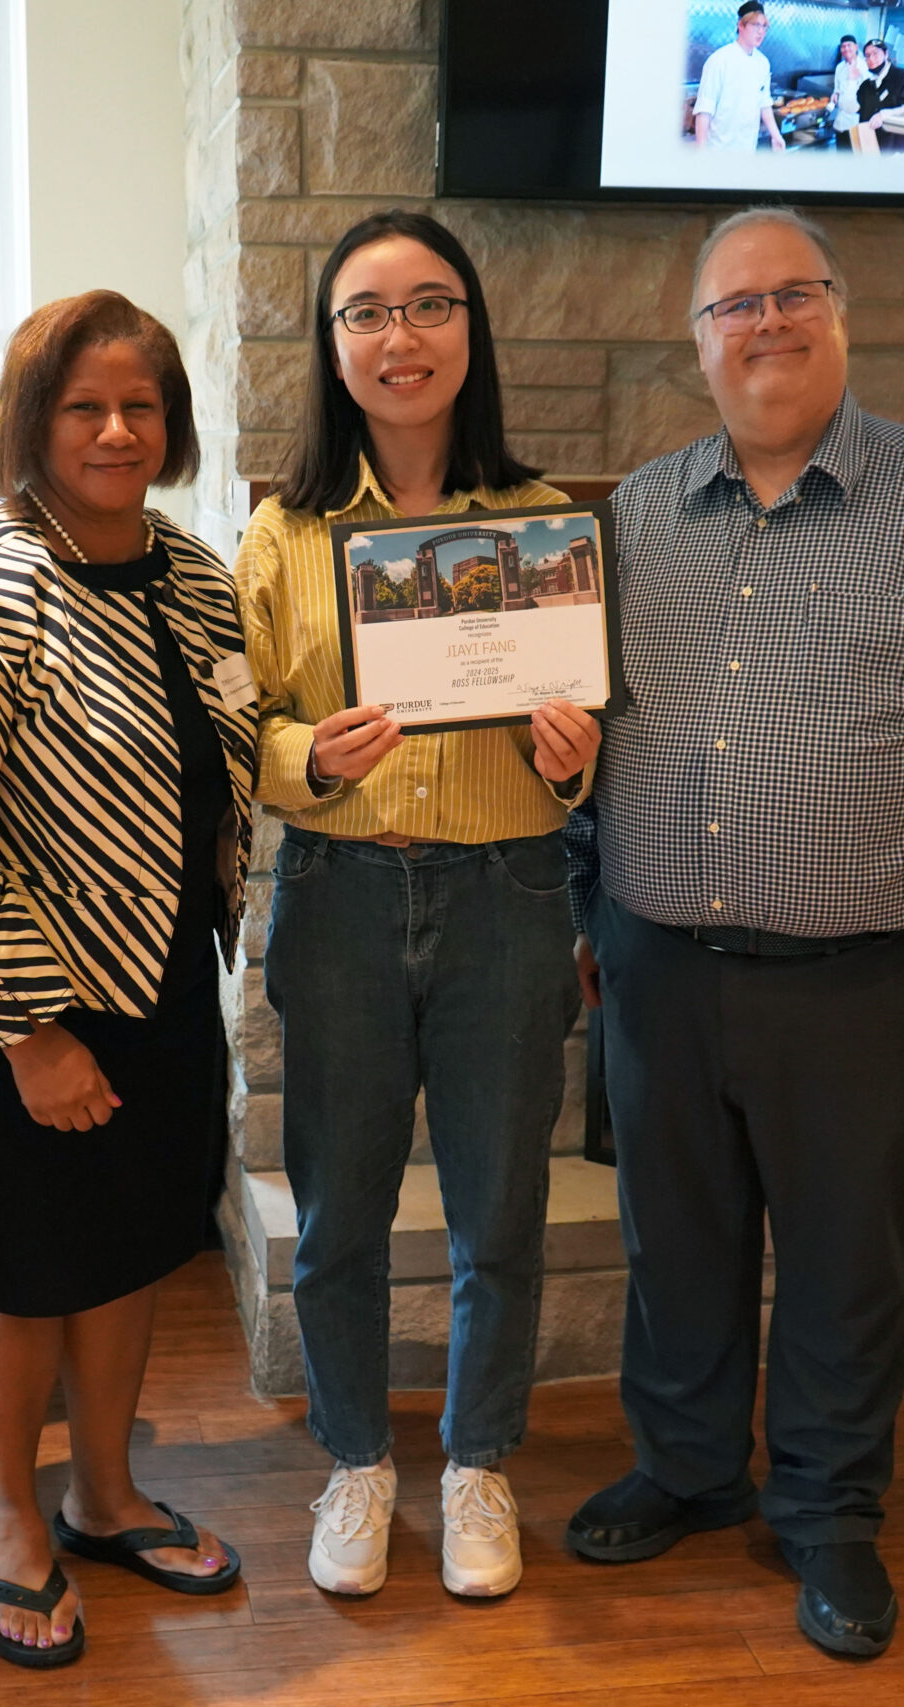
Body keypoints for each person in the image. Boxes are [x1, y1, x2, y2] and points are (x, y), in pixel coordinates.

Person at [561, 208, 904, 1661]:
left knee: (848, 1254)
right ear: (697, 342)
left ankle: (828, 1507)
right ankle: (684, 1465)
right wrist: (585, 902)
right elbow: (584, 736)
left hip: (871, 975)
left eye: (794, 296)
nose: (766, 323)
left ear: (842, 318)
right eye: (735, 305)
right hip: (659, 962)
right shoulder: (629, 516)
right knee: (676, 1242)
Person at [0, 290, 253, 1669]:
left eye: (140, 403)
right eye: (83, 404)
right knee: (21, 1266)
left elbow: (239, 758)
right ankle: (11, 1517)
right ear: (30, 421)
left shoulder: (197, 576)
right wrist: (30, 1028)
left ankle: (106, 1491)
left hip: (153, 978)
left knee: (132, 1241)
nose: (115, 428)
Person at [238, 209, 601, 1602]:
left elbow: (586, 733)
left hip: (509, 892)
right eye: (368, 313)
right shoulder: (282, 534)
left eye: (430, 306)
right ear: (332, 347)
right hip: (338, 888)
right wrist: (300, 755)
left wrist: (578, 760)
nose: (401, 338)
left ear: (471, 332)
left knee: (498, 1206)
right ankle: (354, 1457)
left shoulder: (544, 524)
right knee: (336, 1209)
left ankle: (475, 1458)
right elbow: (246, 725)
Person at [693, 1, 786, 152]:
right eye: (756, 25)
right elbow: (705, 107)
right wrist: (701, 150)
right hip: (719, 150)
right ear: (741, 25)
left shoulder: (763, 63)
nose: (761, 32)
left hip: (747, 149)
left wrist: (776, 136)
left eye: (764, 26)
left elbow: (764, 103)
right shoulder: (720, 60)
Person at [853, 38, 904, 153]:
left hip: (898, 145)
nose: (871, 59)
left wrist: (883, 115)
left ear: (886, 54)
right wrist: (852, 81)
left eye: (875, 53)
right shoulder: (866, 85)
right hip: (873, 144)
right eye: (867, 55)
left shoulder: (903, 76)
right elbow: (857, 108)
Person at [829, 34, 866, 151]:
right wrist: (835, 94)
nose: (846, 49)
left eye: (849, 45)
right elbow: (837, 88)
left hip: (857, 118)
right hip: (841, 118)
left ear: (856, 47)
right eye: (843, 47)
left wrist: (857, 77)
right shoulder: (839, 67)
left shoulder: (864, 66)